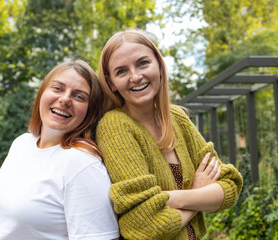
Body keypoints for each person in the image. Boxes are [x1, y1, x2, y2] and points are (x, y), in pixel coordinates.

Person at [96, 29, 243, 240]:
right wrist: (198, 192)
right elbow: (146, 226)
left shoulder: (177, 118)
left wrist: (174, 198)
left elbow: (230, 186)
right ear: (111, 83)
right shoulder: (115, 126)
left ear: (159, 65)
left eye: (143, 63)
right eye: (121, 71)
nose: (135, 77)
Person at [0, 60, 119, 240]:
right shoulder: (22, 144)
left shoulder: (81, 164)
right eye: (57, 88)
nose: (65, 99)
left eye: (79, 97)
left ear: (90, 111)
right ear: (42, 92)